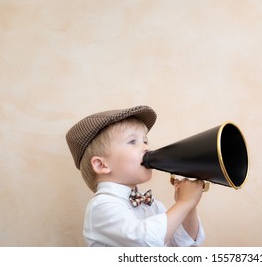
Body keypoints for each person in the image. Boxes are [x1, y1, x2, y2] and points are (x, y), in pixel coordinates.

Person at [66, 105, 205, 246]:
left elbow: (184, 245)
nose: (146, 148)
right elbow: (145, 242)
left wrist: (189, 206)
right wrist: (184, 203)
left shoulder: (153, 205)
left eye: (145, 141)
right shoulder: (102, 206)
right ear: (102, 165)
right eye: (132, 142)